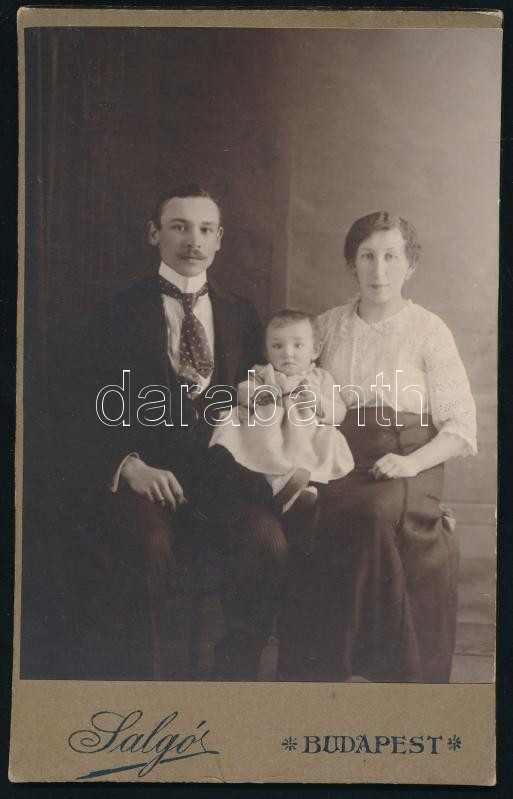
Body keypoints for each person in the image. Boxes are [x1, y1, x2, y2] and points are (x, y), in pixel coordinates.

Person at [80, 184, 288, 680]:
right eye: (179, 227)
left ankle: (233, 684)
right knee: (146, 550)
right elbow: (83, 404)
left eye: (205, 229)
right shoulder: (118, 311)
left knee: (267, 544)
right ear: (154, 234)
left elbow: (259, 398)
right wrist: (129, 466)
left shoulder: (241, 312)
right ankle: (146, 691)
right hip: (148, 479)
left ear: (219, 239)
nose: (193, 240)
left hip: (220, 480)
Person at [278, 211, 477, 683]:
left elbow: (460, 426)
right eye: (367, 256)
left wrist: (410, 463)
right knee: (312, 514)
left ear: (411, 265)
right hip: (338, 458)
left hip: (408, 457)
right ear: (352, 263)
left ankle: (386, 672)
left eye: (391, 257)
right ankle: (323, 675)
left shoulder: (428, 329)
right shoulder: (326, 327)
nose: (379, 270)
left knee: (371, 514)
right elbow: (294, 385)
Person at [210, 309, 354, 513]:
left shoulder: (320, 378)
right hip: (268, 431)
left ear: (315, 350)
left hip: (304, 435)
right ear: (266, 351)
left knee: (322, 442)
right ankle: (279, 485)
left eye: (298, 345)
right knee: (256, 437)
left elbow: (339, 412)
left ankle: (299, 489)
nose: (287, 353)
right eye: (277, 346)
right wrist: (259, 394)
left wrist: (317, 402)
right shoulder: (263, 373)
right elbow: (242, 390)